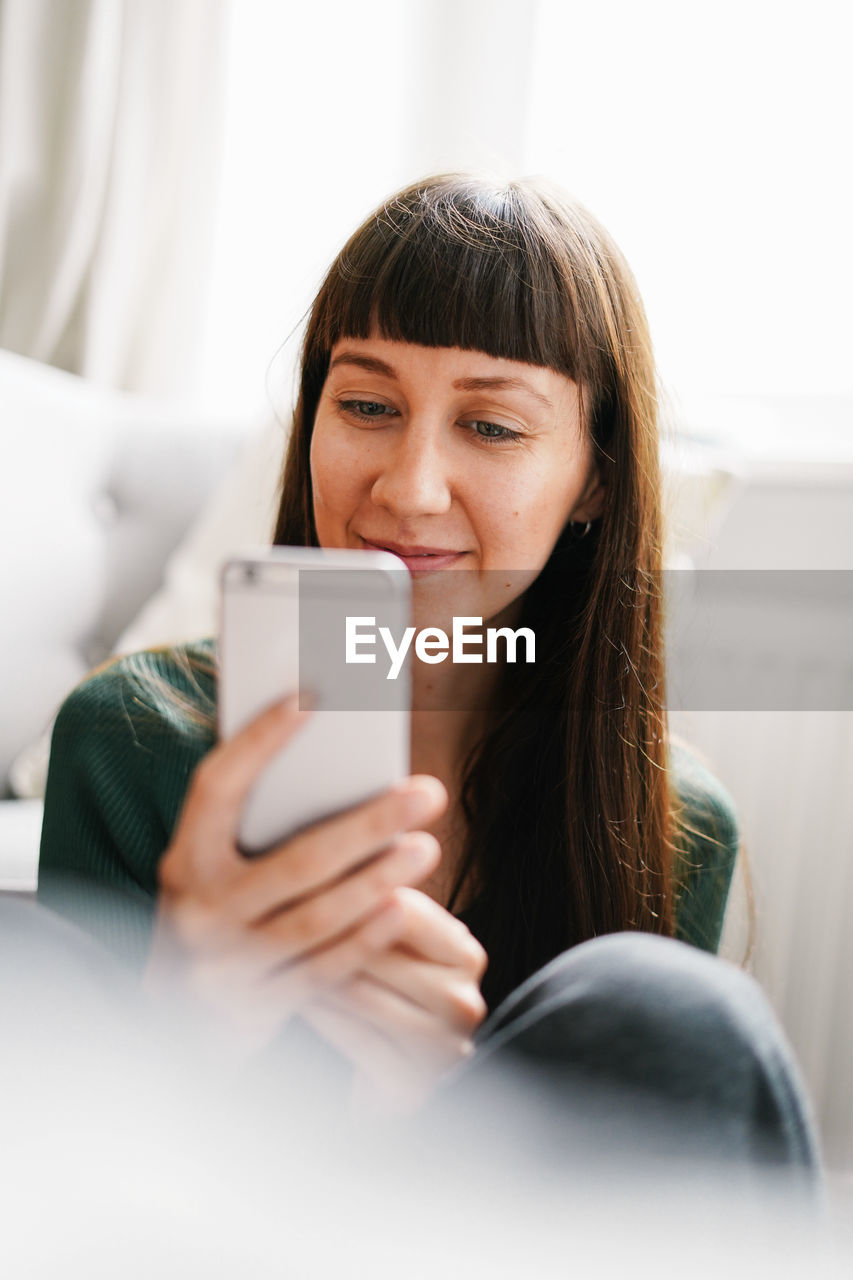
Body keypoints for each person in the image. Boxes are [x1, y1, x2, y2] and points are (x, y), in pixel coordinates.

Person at [36, 174, 818, 1177]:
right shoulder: (130, 740)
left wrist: (445, 1121)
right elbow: (76, 1181)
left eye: (491, 426)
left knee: (674, 1007)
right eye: (365, 403)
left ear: (595, 482)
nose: (406, 488)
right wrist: (185, 1016)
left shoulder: (672, 819)